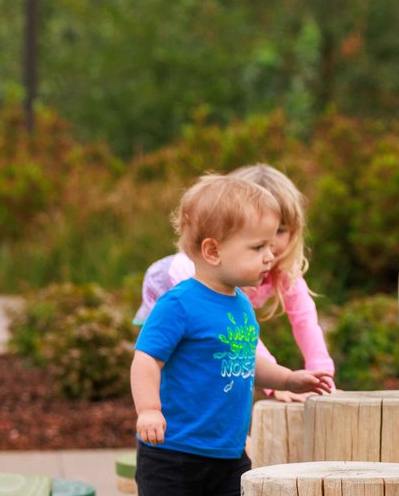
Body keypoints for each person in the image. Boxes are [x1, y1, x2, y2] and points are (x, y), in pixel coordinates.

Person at [113, 174, 334, 496]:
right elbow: (146, 359)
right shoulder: (179, 304)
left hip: (227, 453)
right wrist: (148, 410)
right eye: (257, 248)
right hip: (173, 451)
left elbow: (251, 359)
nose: (270, 255)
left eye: (270, 245)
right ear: (213, 251)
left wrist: (290, 377)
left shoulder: (239, 306)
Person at [134, 163, 334, 400]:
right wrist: (277, 386)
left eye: (279, 231)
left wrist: (323, 380)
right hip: (168, 282)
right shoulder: (222, 271)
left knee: (218, 365)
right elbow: (241, 335)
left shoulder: (278, 269)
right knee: (177, 361)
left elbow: (305, 323)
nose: (271, 247)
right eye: (258, 243)